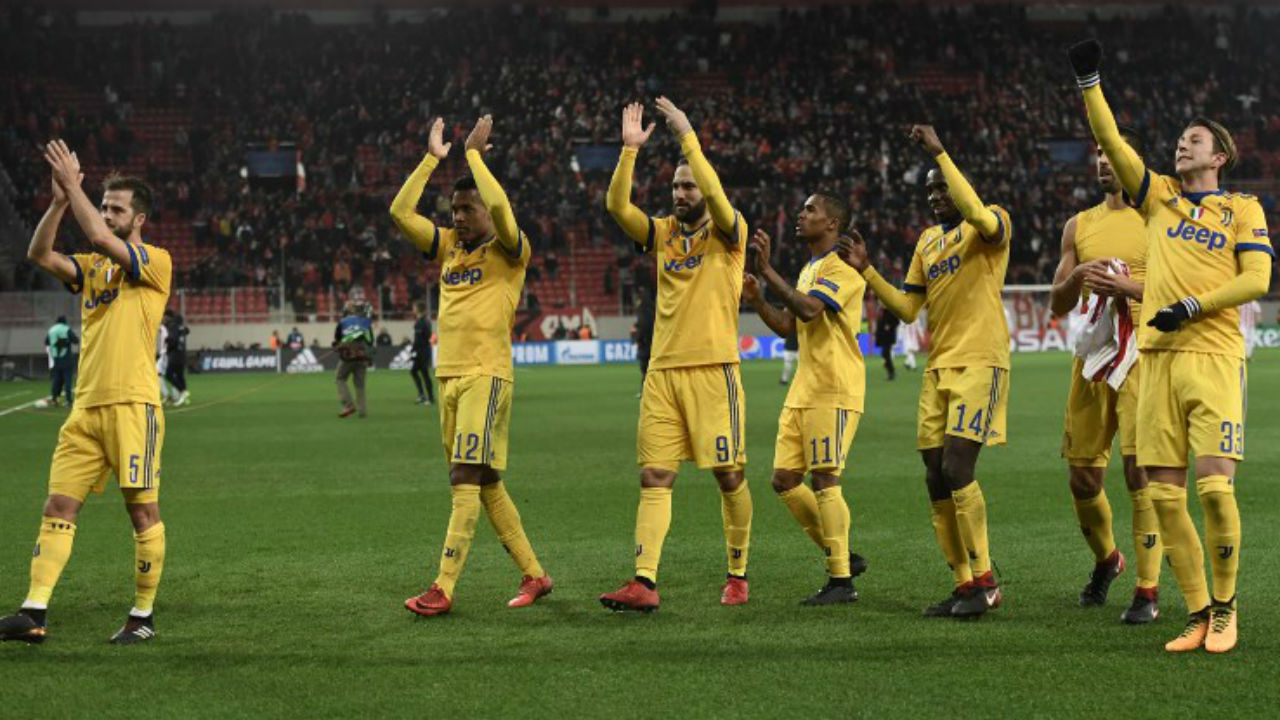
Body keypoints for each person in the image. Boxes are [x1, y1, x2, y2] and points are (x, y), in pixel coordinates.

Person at [1069, 39, 1273, 653]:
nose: (1183, 145)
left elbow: (1258, 279)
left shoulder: (1242, 208)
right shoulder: (1158, 197)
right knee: (1162, 494)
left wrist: (1192, 305)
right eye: (1181, 139)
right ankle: (1198, 611)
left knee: (1214, 490)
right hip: (1155, 361)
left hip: (1213, 356)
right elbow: (1111, 141)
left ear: (1220, 155)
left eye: (1195, 140)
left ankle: (1228, 607)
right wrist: (1090, 83)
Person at [838, 124, 1012, 619]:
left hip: (981, 361)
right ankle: (964, 583)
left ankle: (987, 583)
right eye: (930, 190)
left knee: (958, 467)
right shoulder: (927, 242)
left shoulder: (991, 222)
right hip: (939, 369)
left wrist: (940, 152)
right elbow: (908, 309)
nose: (935, 196)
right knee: (935, 476)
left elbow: (978, 213)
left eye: (942, 187)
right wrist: (867, 270)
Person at [0, 143, 172, 645]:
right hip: (85, 408)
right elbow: (38, 255)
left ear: (139, 219)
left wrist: (72, 184)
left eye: (117, 208)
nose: (107, 214)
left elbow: (97, 234)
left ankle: (143, 616)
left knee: (142, 512)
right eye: (104, 205)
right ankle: (34, 611)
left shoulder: (155, 261)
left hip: (133, 406)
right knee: (58, 505)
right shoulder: (93, 267)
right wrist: (58, 203)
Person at [390, 116, 552, 616]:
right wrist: (431, 160)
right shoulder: (448, 248)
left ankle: (443, 587)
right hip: (449, 377)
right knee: (485, 483)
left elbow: (501, 208)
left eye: (467, 208)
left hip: (486, 374)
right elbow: (400, 211)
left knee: (463, 477)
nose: (458, 216)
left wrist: (475, 158)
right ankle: (534, 574)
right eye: (454, 209)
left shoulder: (510, 249)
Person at [600, 99, 751, 612]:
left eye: (688, 186)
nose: (681, 194)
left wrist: (688, 137)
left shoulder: (729, 232)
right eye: (675, 187)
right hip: (662, 372)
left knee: (728, 475)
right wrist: (629, 151)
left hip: (713, 370)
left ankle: (737, 573)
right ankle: (644, 581)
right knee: (655, 476)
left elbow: (719, 198)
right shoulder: (663, 233)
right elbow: (618, 208)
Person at [1048, 125, 1161, 623]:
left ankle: (1147, 590)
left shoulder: (1159, 218)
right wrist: (1076, 276)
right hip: (1093, 358)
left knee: (1139, 471)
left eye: (1112, 154)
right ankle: (1108, 560)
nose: (1102, 162)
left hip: (1143, 355)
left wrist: (1128, 288)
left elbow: (1182, 291)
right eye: (1098, 154)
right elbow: (1057, 305)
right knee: (1082, 479)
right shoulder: (1078, 226)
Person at [741, 193, 869, 604]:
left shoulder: (842, 269)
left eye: (811, 210)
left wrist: (766, 270)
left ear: (832, 223)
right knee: (784, 480)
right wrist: (758, 300)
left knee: (825, 478)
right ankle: (841, 553)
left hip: (834, 386)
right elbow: (789, 327)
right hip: (804, 388)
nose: (801, 213)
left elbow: (811, 309)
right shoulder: (809, 269)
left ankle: (841, 581)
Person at [333, 300, 373, 419]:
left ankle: (349, 405)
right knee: (360, 385)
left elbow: (338, 339)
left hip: (348, 355)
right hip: (362, 356)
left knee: (339, 378)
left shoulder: (343, 322)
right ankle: (362, 411)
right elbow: (370, 340)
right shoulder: (365, 322)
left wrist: (338, 346)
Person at [45, 315, 78, 407]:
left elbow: (46, 342)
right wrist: (66, 341)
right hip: (66, 358)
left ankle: (54, 399)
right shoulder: (66, 329)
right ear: (65, 322)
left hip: (55, 358)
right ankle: (68, 400)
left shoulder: (51, 330)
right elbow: (75, 340)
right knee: (67, 380)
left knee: (56, 380)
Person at [410, 302, 435, 405]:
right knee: (413, 371)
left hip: (424, 352)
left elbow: (428, 336)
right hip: (419, 351)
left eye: (414, 307)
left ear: (418, 309)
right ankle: (422, 395)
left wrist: (425, 347)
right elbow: (417, 339)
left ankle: (430, 398)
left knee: (425, 373)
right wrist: (413, 350)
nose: (413, 309)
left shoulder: (424, 322)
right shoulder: (418, 322)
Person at [164, 311, 190, 407]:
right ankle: (183, 397)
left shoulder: (173, 327)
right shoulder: (182, 328)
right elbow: (188, 331)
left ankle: (183, 391)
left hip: (175, 355)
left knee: (168, 375)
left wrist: (167, 341)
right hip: (182, 355)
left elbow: (173, 340)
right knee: (180, 376)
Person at [875, 303, 900, 381]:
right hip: (882, 336)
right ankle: (891, 371)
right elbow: (879, 323)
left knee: (885, 353)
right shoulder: (880, 311)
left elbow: (897, 322)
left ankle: (891, 372)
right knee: (885, 354)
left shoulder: (891, 311)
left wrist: (890, 326)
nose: (881, 304)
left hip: (888, 337)